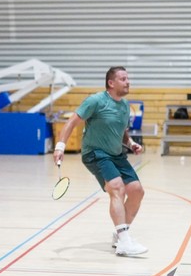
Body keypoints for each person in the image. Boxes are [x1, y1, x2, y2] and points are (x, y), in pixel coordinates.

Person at [53, 67, 147, 257]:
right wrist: (60, 146)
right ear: (111, 83)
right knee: (117, 187)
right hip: (95, 153)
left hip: (117, 154)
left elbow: (121, 130)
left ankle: (120, 235)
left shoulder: (125, 105)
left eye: (128, 78)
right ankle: (125, 242)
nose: (128, 82)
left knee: (137, 191)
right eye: (123, 79)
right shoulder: (95, 101)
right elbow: (71, 122)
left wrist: (130, 143)